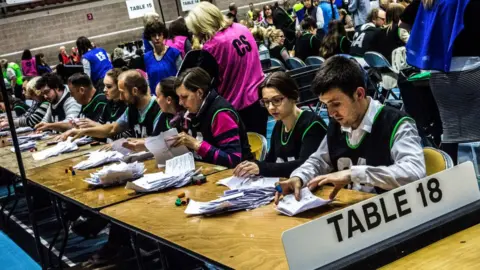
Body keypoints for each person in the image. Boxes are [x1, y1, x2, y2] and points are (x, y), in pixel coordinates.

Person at [274, 56, 425, 203]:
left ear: (359, 94)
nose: (331, 113)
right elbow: (319, 160)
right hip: (352, 210)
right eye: (326, 104)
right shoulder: (337, 123)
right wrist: (298, 177)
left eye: (336, 104)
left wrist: (355, 174)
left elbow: (414, 172)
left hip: (392, 213)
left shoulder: (397, 123)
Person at [407, 0, 480, 164]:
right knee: (476, 132)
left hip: (439, 76)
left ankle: (454, 180)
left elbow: (403, 21)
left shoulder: (431, 1)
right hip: (473, 71)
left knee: (450, 131)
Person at [186, 2, 268, 136]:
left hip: (236, 110)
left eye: (197, 31)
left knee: (241, 154)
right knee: (259, 147)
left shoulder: (212, 47)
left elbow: (199, 82)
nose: (197, 35)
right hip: (259, 101)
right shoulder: (242, 28)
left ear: (202, 26)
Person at [234, 71, 327, 178]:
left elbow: (306, 165)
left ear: (294, 96)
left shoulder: (312, 124)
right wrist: (252, 166)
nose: (271, 107)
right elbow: (271, 161)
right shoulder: (279, 125)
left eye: (277, 100)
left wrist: (261, 168)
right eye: (266, 102)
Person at [171, 67, 253, 168]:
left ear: (200, 93)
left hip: (237, 176)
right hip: (209, 171)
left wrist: (197, 145)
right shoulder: (192, 112)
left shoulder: (221, 114)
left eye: (184, 97)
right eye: (179, 97)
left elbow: (233, 160)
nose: (180, 103)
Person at [60, 70, 160, 140]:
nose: (120, 98)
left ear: (134, 91)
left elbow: (159, 141)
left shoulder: (158, 108)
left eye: (122, 92)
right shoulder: (131, 109)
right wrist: (83, 131)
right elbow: (112, 129)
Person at [143, 21, 182, 95]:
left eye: (159, 35)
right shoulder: (146, 57)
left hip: (174, 95)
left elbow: (181, 76)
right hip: (156, 98)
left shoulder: (174, 53)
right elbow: (149, 78)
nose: (157, 38)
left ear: (163, 36)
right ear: (150, 38)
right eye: (154, 35)